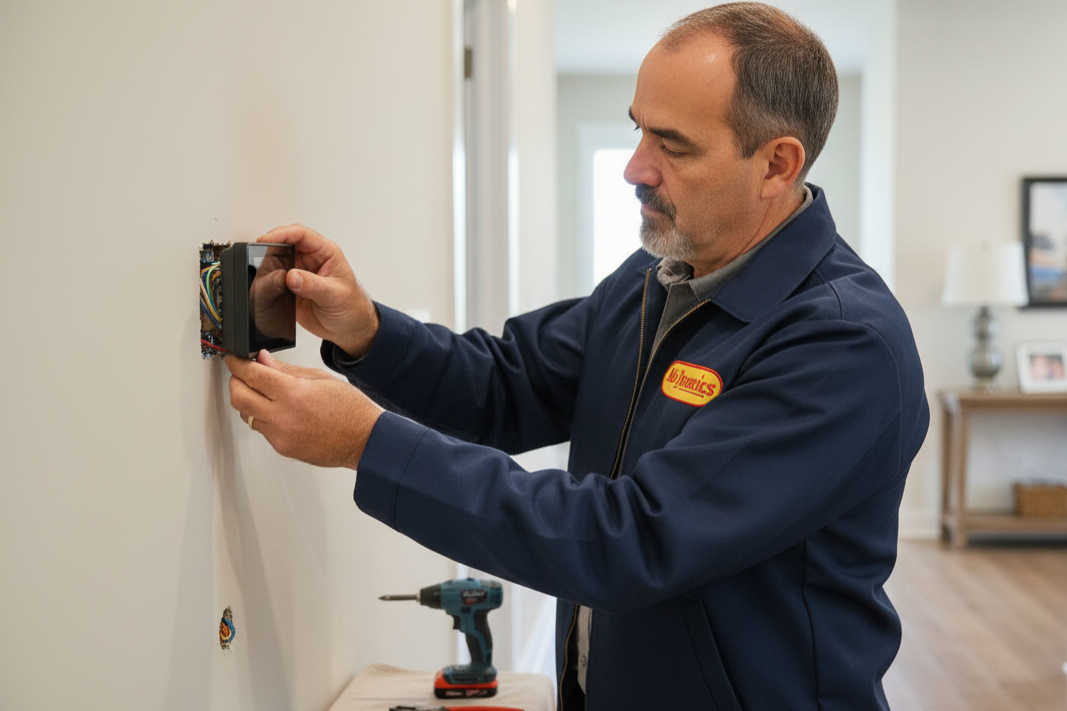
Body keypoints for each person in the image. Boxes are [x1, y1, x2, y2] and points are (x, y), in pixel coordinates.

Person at [225, 3, 929, 709]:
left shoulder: (843, 345)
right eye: (638, 129)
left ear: (776, 164)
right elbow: (505, 384)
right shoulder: (653, 279)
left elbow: (632, 540)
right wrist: (367, 330)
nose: (635, 168)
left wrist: (366, 443)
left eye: (673, 146)